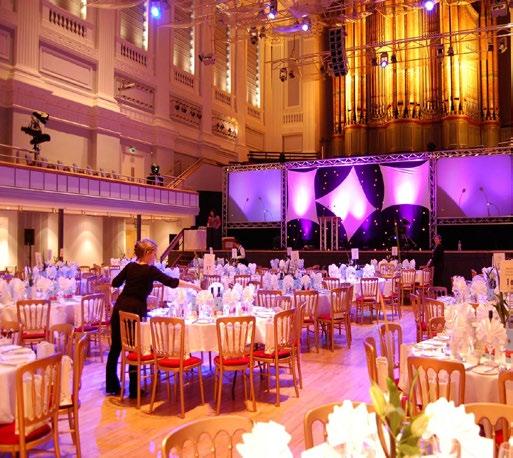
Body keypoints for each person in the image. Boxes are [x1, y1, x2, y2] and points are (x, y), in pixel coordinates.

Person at [105, 239, 201, 397]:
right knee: (136, 347)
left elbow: (115, 282)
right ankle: (134, 389)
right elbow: (171, 282)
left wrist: (132, 288)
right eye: (154, 253)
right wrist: (193, 286)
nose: (155, 256)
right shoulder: (150, 270)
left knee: (116, 347)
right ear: (147, 253)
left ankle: (111, 385)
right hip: (135, 310)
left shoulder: (130, 266)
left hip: (120, 309)